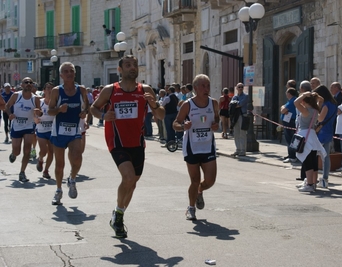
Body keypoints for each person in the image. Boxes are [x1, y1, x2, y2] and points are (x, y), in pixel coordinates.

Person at [90, 55, 165, 238]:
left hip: (137, 142)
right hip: (117, 141)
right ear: (120, 70)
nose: (132, 68)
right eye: (128, 65)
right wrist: (102, 116)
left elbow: (161, 116)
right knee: (128, 177)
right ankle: (119, 217)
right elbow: (93, 108)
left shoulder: (145, 90)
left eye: (135, 65)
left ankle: (118, 213)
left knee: (132, 183)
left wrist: (154, 105)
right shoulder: (110, 90)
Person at [172, 74, 219, 220]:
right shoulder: (188, 105)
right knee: (194, 180)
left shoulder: (214, 104)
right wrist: (183, 126)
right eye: (203, 86)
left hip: (208, 146)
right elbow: (175, 124)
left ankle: (200, 190)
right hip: (192, 146)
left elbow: (217, 120)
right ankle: (191, 208)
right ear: (196, 88)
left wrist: (217, 125)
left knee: (210, 181)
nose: (206, 89)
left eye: (208, 86)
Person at [48, 62, 89, 205]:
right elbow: (49, 111)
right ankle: (58, 190)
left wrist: (85, 114)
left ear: (74, 73)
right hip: (59, 131)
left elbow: (87, 106)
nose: (69, 73)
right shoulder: (56, 91)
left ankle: (72, 178)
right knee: (60, 165)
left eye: (71, 70)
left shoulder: (81, 90)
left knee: (77, 157)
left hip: (75, 130)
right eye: (65, 71)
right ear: (61, 75)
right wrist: (59, 110)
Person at [5, 77, 42, 182]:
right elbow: (7, 106)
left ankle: (22, 172)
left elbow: (40, 112)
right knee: (17, 151)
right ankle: (13, 154)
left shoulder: (35, 99)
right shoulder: (16, 96)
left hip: (29, 126)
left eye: (31, 82)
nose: (28, 84)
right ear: (22, 85)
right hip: (16, 126)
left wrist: (38, 113)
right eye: (26, 82)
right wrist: (10, 114)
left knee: (27, 151)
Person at [294, 91, 326, 192]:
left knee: (308, 162)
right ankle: (313, 183)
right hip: (312, 135)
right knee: (313, 161)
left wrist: (304, 95)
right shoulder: (315, 110)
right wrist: (314, 96)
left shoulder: (306, 111)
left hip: (304, 135)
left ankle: (310, 184)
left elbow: (295, 102)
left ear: (304, 101)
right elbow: (321, 100)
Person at [314, 85, 338, 188]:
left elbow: (320, 119)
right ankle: (325, 178)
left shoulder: (325, 104)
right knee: (326, 156)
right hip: (329, 131)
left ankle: (316, 179)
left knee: (315, 155)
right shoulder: (334, 104)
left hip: (322, 132)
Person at [34, 82, 55, 179]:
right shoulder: (40, 101)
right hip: (41, 129)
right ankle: (41, 159)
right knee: (44, 150)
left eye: (52, 88)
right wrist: (36, 119)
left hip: (52, 130)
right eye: (48, 88)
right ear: (44, 90)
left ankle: (46, 170)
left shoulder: (56, 103)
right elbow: (34, 113)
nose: (50, 90)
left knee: (51, 151)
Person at [280, 87, 298, 163]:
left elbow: (283, 110)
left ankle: (292, 156)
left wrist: (283, 108)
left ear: (289, 93)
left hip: (290, 122)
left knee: (290, 139)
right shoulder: (290, 101)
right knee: (288, 139)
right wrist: (283, 108)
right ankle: (290, 154)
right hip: (287, 121)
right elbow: (283, 107)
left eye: (287, 93)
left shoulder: (293, 101)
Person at [231, 83, 248, 156]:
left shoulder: (246, 96)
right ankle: (238, 149)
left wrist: (236, 104)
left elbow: (240, 104)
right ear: (236, 88)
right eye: (239, 87)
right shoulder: (234, 97)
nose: (240, 88)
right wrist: (235, 105)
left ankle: (243, 150)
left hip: (242, 115)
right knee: (236, 133)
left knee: (242, 133)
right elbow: (231, 105)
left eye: (241, 87)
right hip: (235, 116)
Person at [330, 82, 342, 153]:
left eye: (332, 88)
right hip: (334, 121)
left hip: (338, 120)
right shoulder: (335, 96)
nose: (330, 90)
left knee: (338, 140)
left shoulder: (340, 96)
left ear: (336, 88)